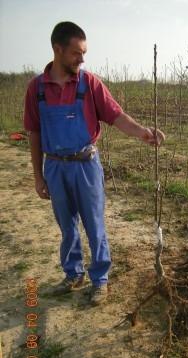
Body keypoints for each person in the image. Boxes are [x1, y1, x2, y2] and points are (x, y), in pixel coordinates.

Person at [24, 21, 165, 306]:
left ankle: (100, 279)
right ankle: (73, 274)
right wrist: (39, 176)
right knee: (67, 226)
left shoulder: (90, 84)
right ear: (58, 49)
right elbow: (34, 133)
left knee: (94, 225)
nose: (82, 58)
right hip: (55, 167)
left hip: (86, 165)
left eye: (84, 52)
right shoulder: (36, 89)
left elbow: (117, 116)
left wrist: (143, 133)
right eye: (76, 53)